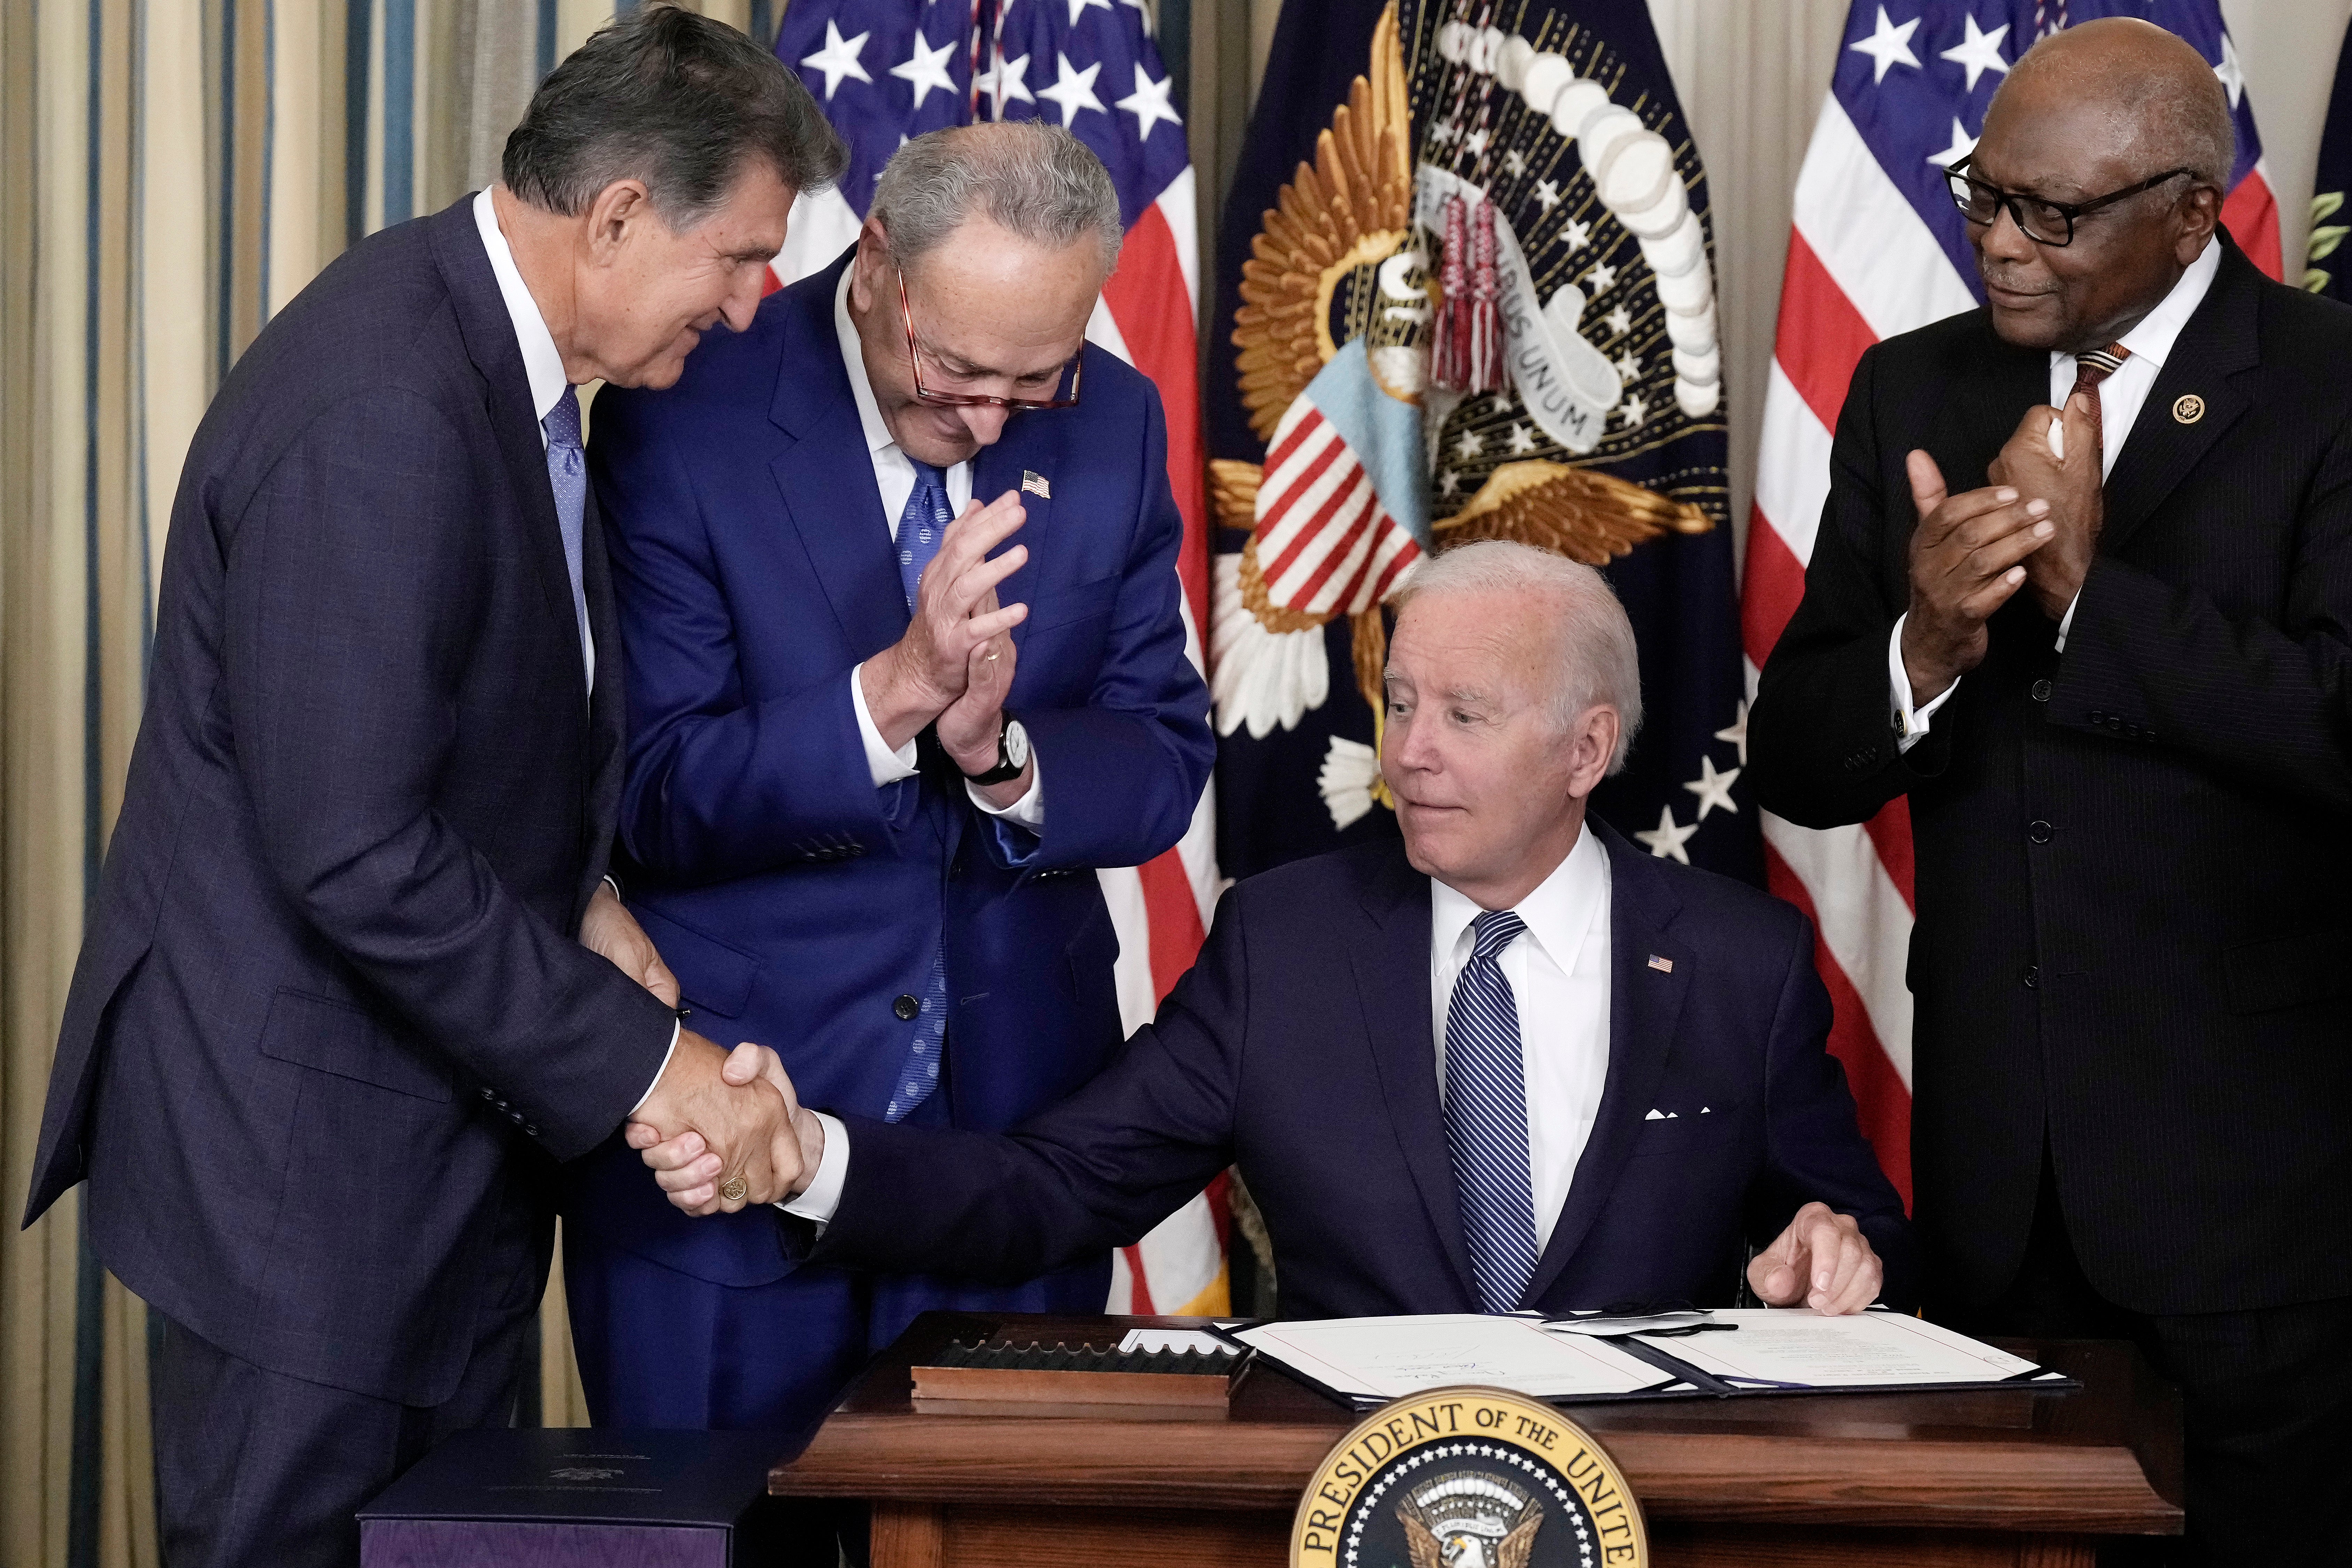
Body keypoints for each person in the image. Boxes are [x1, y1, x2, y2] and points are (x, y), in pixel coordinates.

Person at [17, 12, 845, 1567]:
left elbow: (449, 730)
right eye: (738, 258)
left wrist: (586, 895)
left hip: (415, 1167)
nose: (750, 311)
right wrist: (648, 1063)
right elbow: (353, 849)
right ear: (614, 218)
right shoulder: (386, 404)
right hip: (300, 1194)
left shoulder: (499, 368)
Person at [644, 541, 1914, 1326]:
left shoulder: (1741, 963)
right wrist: (812, 1155)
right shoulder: (1288, 944)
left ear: (1588, 749)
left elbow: (1843, 1231)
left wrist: (1834, 1254)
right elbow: (1057, 1186)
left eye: (1464, 716)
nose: (1408, 753)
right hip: (1340, 1513)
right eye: (1400, 701)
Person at [1747, 19, 2352, 1565]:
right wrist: (1925, 642)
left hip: (2249, 1209)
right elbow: (1797, 760)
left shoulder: (2321, 388)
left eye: (2050, 216)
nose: (2000, 248)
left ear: (2186, 208)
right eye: (1981, 199)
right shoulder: (1908, 392)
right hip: (1994, 1193)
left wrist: (2090, 597)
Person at [563, 121, 1214, 1444]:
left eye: (1031, 383)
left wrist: (1001, 757)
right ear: (876, 267)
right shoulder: (686, 401)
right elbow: (652, 795)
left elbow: (1162, 759)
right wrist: (891, 699)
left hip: (1009, 1155)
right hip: (730, 1133)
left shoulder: (1115, 418)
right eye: (956, 367)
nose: (983, 417)